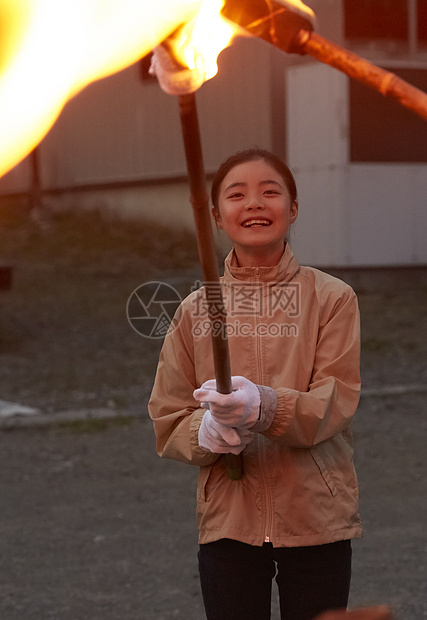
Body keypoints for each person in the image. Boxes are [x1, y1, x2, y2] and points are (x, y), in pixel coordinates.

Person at [148, 147, 362, 620]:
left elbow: (335, 401)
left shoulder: (332, 299)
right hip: (228, 521)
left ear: (294, 208)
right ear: (216, 216)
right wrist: (204, 432)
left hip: (316, 517)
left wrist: (265, 406)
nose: (254, 204)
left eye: (270, 192)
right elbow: (168, 416)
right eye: (236, 194)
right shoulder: (194, 310)